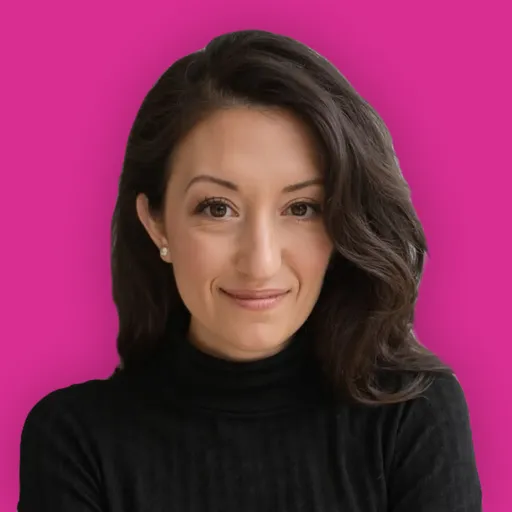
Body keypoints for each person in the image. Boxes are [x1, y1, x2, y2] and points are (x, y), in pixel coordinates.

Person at [18, 29, 482, 511]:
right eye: (217, 208)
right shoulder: (74, 441)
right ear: (156, 223)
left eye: (301, 208)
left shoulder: (414, 416)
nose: (261, 262)